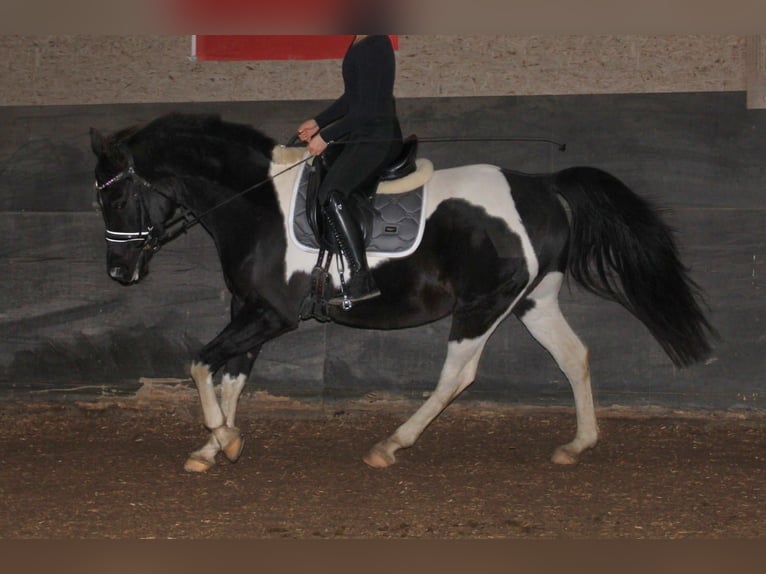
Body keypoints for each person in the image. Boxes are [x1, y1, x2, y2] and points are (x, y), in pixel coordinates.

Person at [297, 34, 403, 305]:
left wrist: (326, 136)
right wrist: (318, 121)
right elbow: (353, 98)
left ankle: (361, 277)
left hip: (377, 136)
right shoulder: (360, 40)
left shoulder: (374, 43)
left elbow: (366, 109)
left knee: (331, 193)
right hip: (362, 133)